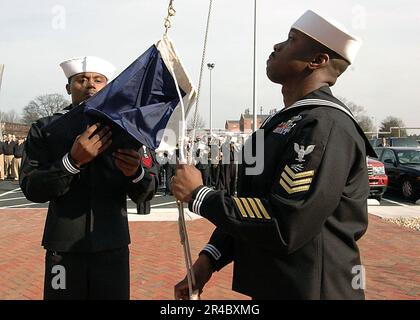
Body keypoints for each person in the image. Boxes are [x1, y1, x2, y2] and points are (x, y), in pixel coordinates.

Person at [172, 10, 376, 300]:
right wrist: (210, 258)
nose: (277, 46)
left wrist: (200, 196)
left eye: (291, 41)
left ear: (317, 61)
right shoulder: (281, 124)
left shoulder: (325, 125)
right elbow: (253, 206)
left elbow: (284, 223)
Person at [20, 56, 157, 300]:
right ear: (68, 88)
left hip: (111, 246)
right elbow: (32, 187)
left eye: (98, 80)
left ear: (108, 86)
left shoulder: (129, 127)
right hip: (63, 248)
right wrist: (71, 162)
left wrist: (136, 173)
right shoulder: (47, 129)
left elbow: (147, 191)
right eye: (81, 80)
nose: (90, 85)